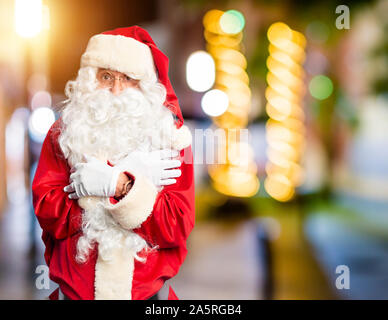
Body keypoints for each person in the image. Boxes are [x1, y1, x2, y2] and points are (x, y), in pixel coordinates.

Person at [32, 26, 195, 300]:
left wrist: (116, 183)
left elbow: (177, 228)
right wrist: (117, 186)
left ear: (144, 83)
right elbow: (48, 215)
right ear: (89, 79)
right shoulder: (63, 133)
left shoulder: (173, 139)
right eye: (106, 76)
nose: (116, 89)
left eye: (128, 77)